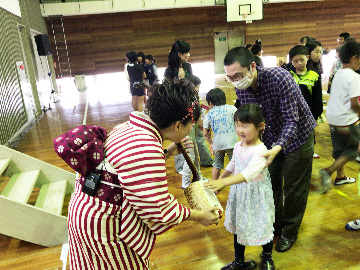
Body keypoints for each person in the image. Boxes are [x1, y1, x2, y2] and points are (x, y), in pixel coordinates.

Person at [59, 79, 220, 270]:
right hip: (103, 224)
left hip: (86, 208)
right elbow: (158, 208)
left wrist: (167, 152)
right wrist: (199, 215)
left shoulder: (128, 128)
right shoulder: (147, 147)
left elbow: (127, 167)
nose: (191, 130)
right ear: (177, 126)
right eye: (191, 125)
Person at [224, 46, 316, 252]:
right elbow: (253, 120)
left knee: (294, 188)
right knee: (270, 184)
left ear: (252, 67)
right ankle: (274, 225)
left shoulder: (279, 78)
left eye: (238, 75)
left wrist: (278, 147)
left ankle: (290, 232)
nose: (235, 81)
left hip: (298, 136)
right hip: (270, 140)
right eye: (230, 77)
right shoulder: (241, 86)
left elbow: (292, 118)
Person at [204, 104, 275, 270]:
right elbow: (233, 164)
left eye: (245, 125)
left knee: (263, 223)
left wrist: (223, 182)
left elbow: (248, 174)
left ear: (260, 127)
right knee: (239, 225)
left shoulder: (262, 150)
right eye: (237, 124)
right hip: (239, 193)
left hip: (256, 194)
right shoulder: (238, 146)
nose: (240, 130)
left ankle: (267, 257)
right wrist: (220, 180)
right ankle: (238, 261)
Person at [319, 41, 360, 193]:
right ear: (355, 58)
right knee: (352, 151)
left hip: (333, 118)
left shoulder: (339, 73)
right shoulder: (354, 77)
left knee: (340, 149)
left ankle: (341, 177)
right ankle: (328, 171)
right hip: (346, 119)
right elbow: (354, 103)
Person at [289, 45, 323, 158]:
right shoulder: (289, 75)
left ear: (307, 57)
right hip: (292, 112)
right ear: (291, 62)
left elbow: (317, 98)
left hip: (309, 113)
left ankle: (310, 150)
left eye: (302, 59)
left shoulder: (314, 76)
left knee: (309, 133)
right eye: (295, 61)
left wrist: (316, 115)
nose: (299, 63)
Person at [164, 40, 193, 175]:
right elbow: (168, 89)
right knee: (179, 136)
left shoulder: (188, 67)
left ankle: (192, 163)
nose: (188, 55)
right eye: (186, 52)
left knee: (190, 135)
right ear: (179, 54)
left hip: (189, 103)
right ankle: (180, 166)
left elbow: (192, 82)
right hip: (177, 106)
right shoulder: (169, 70)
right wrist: (179, 79)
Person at [203, 88, 238, 180]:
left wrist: (211, 143)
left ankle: (215, 185)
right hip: (231, 142)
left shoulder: (209, 114)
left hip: (218, 144)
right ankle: (235, 184)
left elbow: (205, 133)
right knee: (234, 163)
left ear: (210, 102)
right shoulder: (232, 108)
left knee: (217, 165)